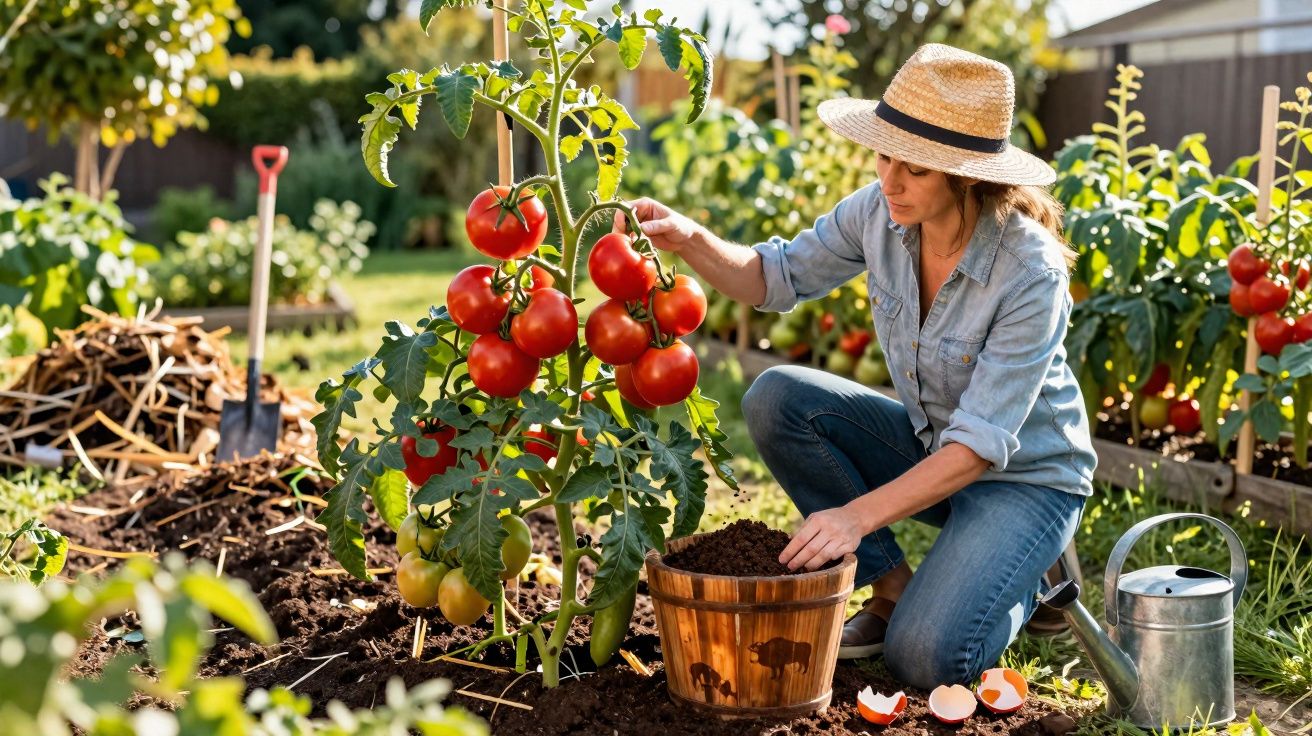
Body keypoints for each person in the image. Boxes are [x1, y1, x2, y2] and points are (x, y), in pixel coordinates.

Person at [614, 43, 1097, 689]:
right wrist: (692, 238)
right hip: (933, 449)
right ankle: (891, 588)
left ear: (967, 175)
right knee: (779, 397)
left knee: (927, 660)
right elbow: (774, 279)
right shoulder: (879, 211)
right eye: (884, 156)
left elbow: (981, 445)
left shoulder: (1028, 270)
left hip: (1026, 478)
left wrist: (856, 515)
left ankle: (1038, 570)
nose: (890, 181)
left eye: (915, 170)